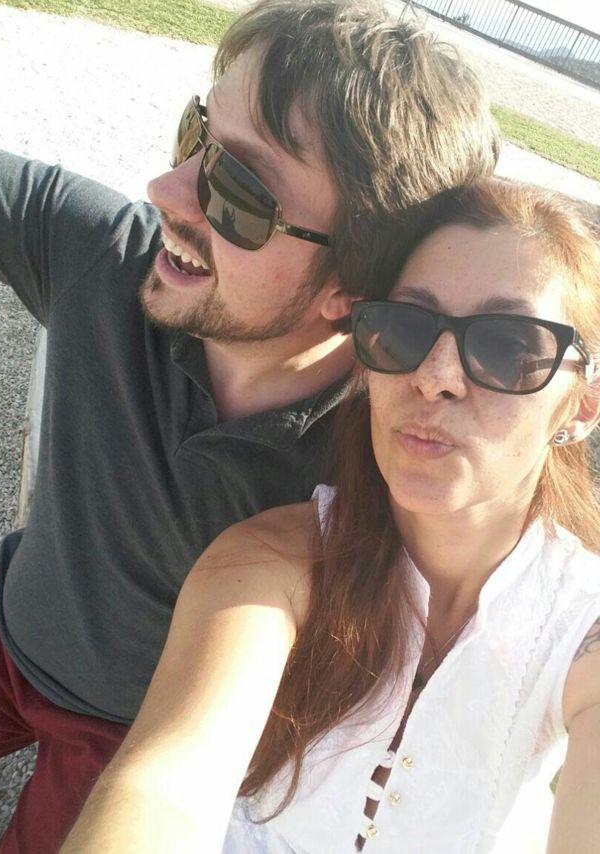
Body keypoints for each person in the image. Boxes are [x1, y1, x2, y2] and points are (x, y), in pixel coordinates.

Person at [0, 0, 499, 849]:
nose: (166, 189)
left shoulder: (379, 460)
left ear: (352, 291)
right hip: (6, 626)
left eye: (239, 191)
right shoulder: (106, 256)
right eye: (196, 134)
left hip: (140, 732)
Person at [63, 178, 600, 854]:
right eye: (403, 327)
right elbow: (166, 788)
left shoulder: (581, 626)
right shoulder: (273, 565)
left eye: (511, 348)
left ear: (581, 406)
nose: (435, 376)